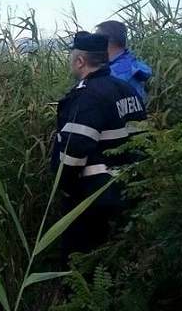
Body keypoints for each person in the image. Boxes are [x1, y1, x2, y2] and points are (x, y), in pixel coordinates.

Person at [52, 31, 147, 265]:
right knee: (117, 259)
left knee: (81, 261)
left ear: (80, 61)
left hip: (93, 197)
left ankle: (81, 299)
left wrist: (64, 187)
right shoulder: (127, 90)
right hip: (129, 189)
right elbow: (144, 139)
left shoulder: (87, 97)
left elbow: (73, 153)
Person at [95, 20, 153, 103]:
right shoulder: (134, 64)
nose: (93, 43)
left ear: (106, 40)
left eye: (96, 38)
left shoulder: (114, 73)